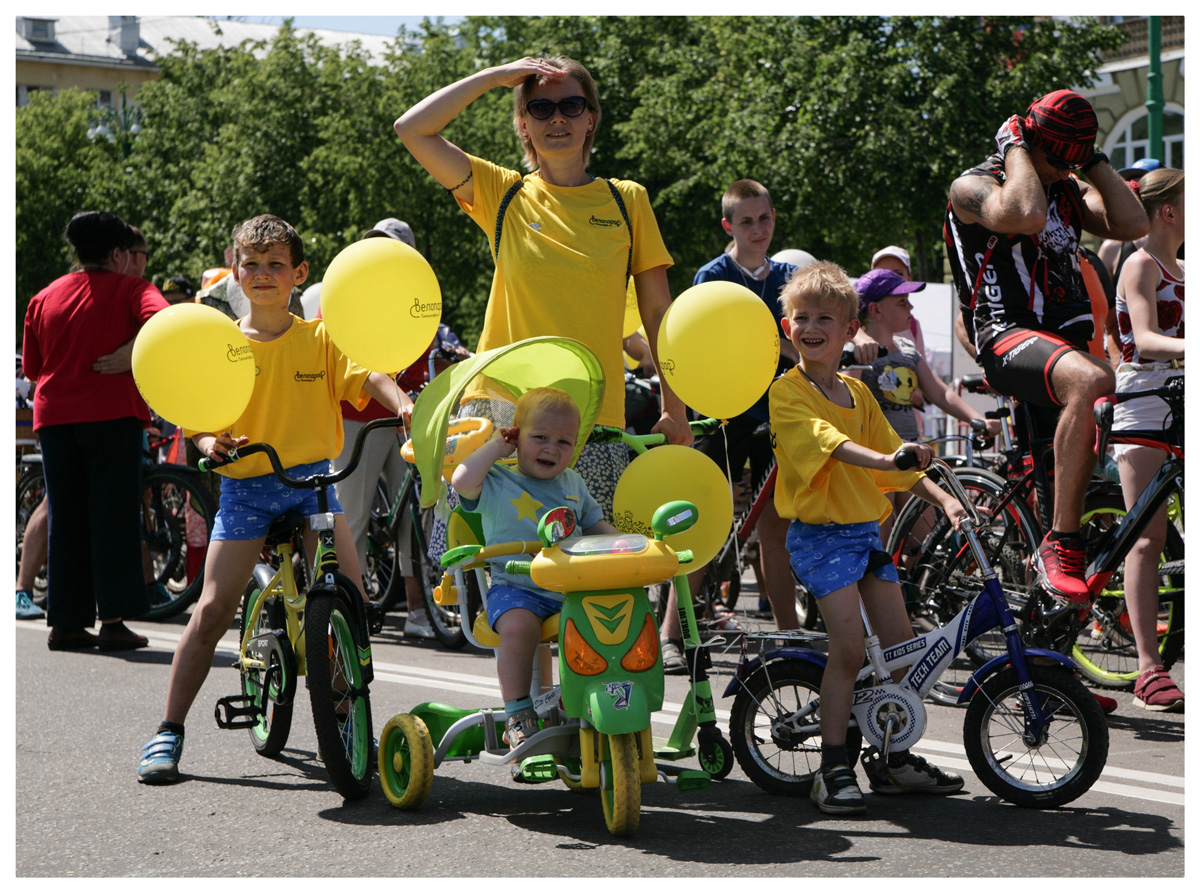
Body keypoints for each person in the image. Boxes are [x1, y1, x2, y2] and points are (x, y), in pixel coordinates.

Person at [137, 215, 410, 785]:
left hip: (312, 482)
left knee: (352, 599)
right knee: (211, 609)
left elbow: (369, 377)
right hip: (247, 490)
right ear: (236, 272)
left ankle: (346, 713)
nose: (263, 274)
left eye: (276, 264)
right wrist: (214, 444)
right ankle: (168, 729)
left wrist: (402, 401)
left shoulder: (320, 337)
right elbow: (201, 425)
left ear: (299, 274)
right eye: (252, 264)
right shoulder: (223, 344)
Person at [393, 54, 692, 530]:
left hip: (591, 415)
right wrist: (496, 77)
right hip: (502, 415)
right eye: (540, 108)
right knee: (502, 576)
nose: (557, 118)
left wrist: (673, 409)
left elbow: (659, 312)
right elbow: (412, 129)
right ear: (522, 125)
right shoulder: (501, 192)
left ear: (591, 118)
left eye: (572, 105)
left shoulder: (626, 199)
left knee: (594, 578)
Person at [770, 261, 967, 815]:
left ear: (850, 329)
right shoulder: (788, 394)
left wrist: (945, 498)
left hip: (863, 535)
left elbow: (895, 468)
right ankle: (833, 766)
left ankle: (890, 758)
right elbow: (829, 444)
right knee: (850, 648)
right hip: (819, 540)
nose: (811, 326)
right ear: (788, 329)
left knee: (902, 653)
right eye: (801, 318)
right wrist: (887, 457)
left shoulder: (858, 391)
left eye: (825, 318)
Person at [945, 89, 1148, 603]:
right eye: (1055, 159)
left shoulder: (1064, 186)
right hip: (1006, 335)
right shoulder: (973, 185)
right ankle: (1062, 543)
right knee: (1094, 379)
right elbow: (1026, 215)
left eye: (1072, 161)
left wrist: (1090, 159)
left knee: (1056, 493)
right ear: (1025, 140)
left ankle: (1046, 647)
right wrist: (1016, 146)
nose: (1063, 170)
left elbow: (1133, 224)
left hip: (1064, 343)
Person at [658, 179, 798, 673]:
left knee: (776, 529)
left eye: (764, 219)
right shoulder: (711, 276)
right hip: (720, 415)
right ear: (728, 226)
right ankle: (669, 635)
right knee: (702, 523)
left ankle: (788, 637)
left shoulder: (789, 275)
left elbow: (811, 335)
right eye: (746, 221)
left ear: (774, 218)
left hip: (776, 415)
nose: (757, 229)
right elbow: (697, 345)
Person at [21, 211, 169, 650]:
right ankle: (114, 621)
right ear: (119, 254)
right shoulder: (132, 288)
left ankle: (65, 623)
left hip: (55, 419)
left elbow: (32, 367)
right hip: (111, 415)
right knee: (114, 517)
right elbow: (163, 322)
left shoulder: (44, 296)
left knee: (66, 519)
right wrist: (131, 352)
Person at [451, 387, 618, 750]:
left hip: (568, 588)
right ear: (516, 435)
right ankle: (518, 713)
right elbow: (461, 481)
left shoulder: (572, 482)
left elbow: (596, 525)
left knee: (607, 623)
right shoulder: (496, 479)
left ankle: (595, 699)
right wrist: (496, 446)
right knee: (519, 628)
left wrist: (625, 546)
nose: (551, 449)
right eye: (539, 437)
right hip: (516, 588)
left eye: (564, 442)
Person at [327, 218, 440, 639]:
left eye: (388, 246)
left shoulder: (417, 293)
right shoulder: (351, 287)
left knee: (414, 511)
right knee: (351, 513)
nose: (379, 253)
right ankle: (351, 608)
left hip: (404, 416)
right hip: (357, 414)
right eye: (374, 244)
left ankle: (416, 609)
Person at [1111, 167, 1185, 712]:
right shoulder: (1140, 263)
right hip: (1145, 406)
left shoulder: (1187, 267)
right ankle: (1147, 668)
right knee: (1147, 537)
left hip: (1185, 404)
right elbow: (1145, 340)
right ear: (1170, 212)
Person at [854, 269, 1002, 446]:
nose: (911, 307)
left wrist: (977, 419)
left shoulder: (907, 349)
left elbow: (941, 394)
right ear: (875, 309)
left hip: (910, 451)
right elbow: (849, 407)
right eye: (902, 302)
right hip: (875, 455)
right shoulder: (856, 353)